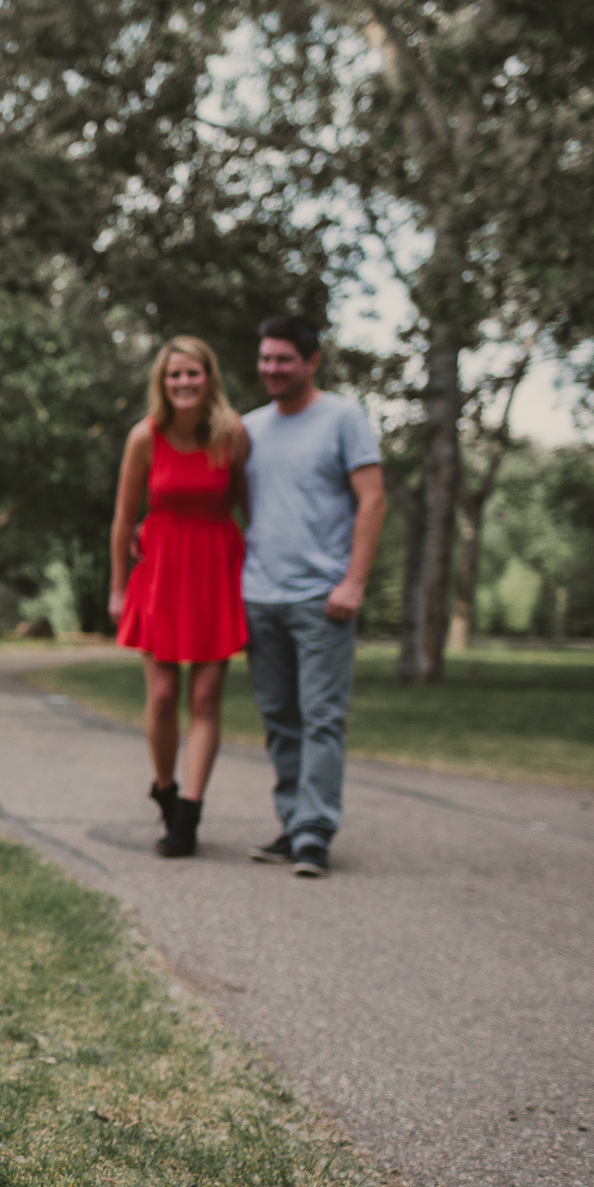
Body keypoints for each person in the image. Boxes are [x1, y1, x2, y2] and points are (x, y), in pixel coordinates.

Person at [241, 314, 386, 878]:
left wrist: (354, 581)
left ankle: (314, 832)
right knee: (279, 717)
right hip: (260, 595)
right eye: (266, 358)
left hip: (323, 598)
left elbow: (372, 500)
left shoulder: (344, 417)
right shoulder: (250, 428)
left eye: (284, 359)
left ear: (311, 362)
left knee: (322, 716)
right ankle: (292, 822)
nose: (272, 369)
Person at [108, 336, 249, 857]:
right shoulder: (145, 438)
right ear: (162, 383)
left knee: (207, 698)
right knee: (164, 695)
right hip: (161, 575)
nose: (184, 383)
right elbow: (124, 520)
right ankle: (165, 789)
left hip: (215, 572)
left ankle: (189, 814)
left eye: (193, 373)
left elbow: (245, 510)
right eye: (174, 375)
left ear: (209, 378)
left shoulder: (232, 437)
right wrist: (119, 587)